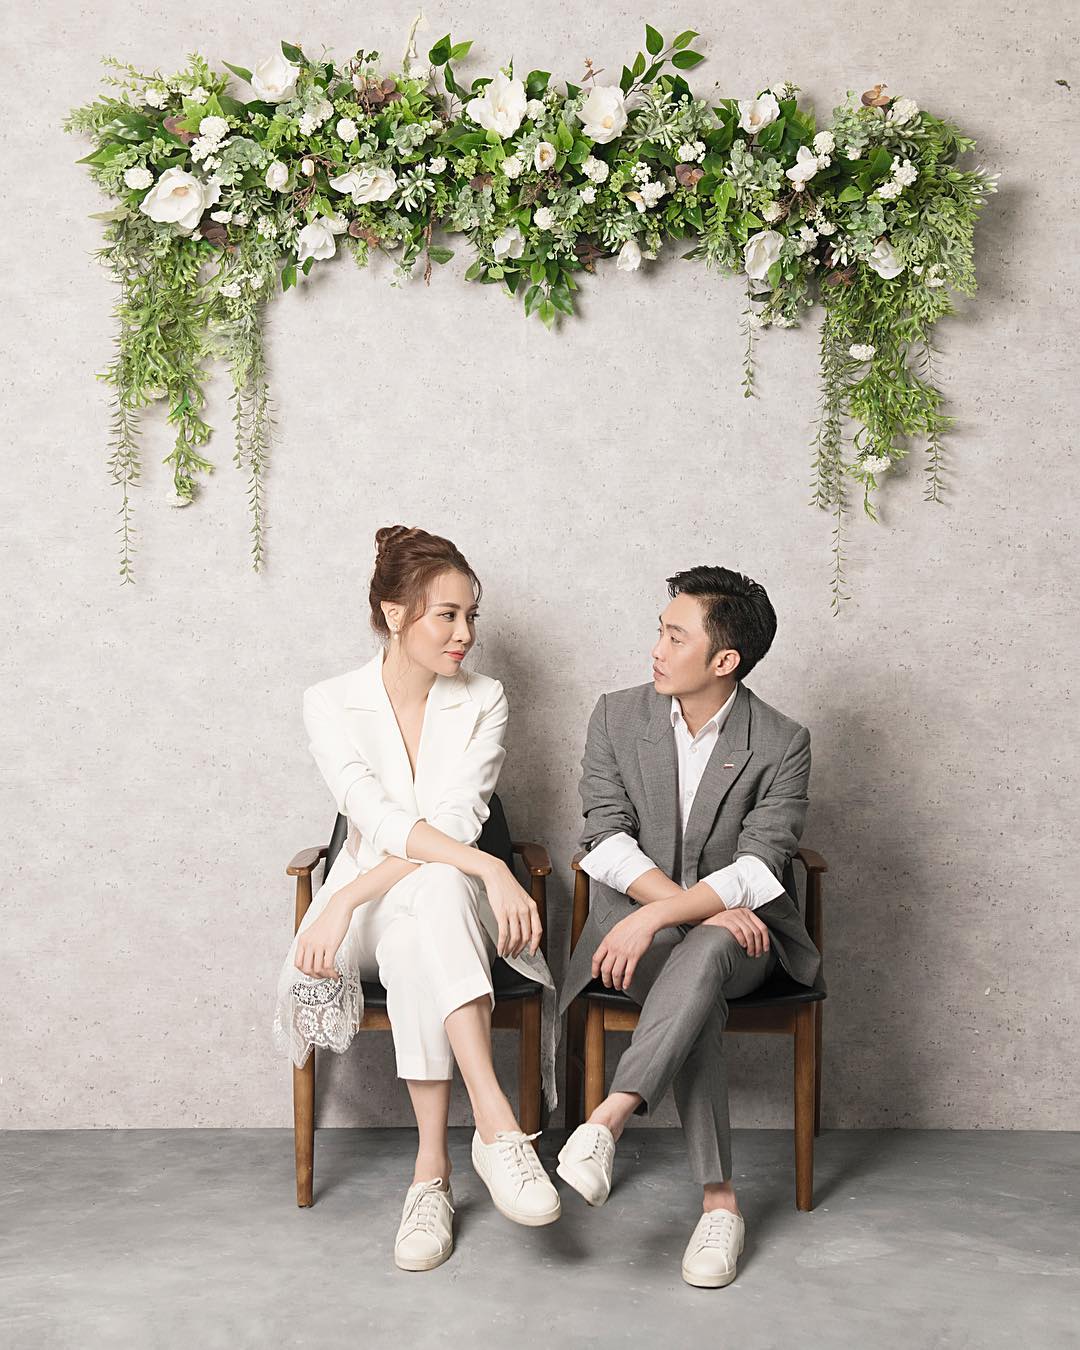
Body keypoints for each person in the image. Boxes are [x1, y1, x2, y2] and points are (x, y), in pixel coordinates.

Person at [272, 525, 561, 1273]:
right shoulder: (329, 702)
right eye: (448, 616)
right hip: (363, 917)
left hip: (429, 905)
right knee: (439, 883)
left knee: (430, 905)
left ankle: (431, 1176)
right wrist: (484, 870)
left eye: (472, 616)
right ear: (395, 614)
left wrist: (470, 867)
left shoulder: (485, 699)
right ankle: (498, 1130)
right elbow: (376, 820)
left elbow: (458, 822)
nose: (466, 634)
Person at [555, 565, 825, 1288]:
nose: (657, 648)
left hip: (747, 944)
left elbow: (760, 864)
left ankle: (606, 1121)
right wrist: (674, 911)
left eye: (676, 636)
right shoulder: (616, 716)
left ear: (724, 659)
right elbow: (605, 837)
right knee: (694, 971)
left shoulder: (782, 741)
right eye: (660, 630)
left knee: (706, 947)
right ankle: (720, 1204)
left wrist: (658, 915)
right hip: (642, 943)